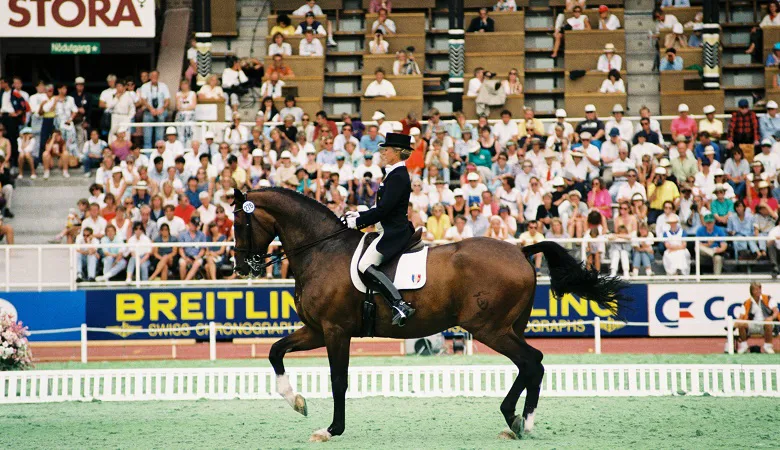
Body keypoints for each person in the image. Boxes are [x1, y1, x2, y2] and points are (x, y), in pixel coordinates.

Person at [345, 132, 417, 326]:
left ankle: (399, 304)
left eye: (386, 149)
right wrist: (359, 216)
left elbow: (385, 210)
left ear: (397, 152)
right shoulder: (393, 173)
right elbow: (380, 207)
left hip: (394, 232)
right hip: (388, 228)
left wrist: (357, 224)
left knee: (364, 265)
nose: (383, 152)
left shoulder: (398, 176)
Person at [734, 282, 779, 354]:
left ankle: (768, 346)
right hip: (752, 325)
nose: (759, 291)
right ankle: (744, 346)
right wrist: (735, 324)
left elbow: (776, 311)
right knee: (741, 323)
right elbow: (741, 317)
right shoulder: (747, 302)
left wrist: (771, 318)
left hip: (766, 324)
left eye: (759, 289)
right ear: (751, 291)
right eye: (756, 290)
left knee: (768, 322)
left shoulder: (768, 298)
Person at [139, 70, 170, 149]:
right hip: (148, 113)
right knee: (147, 139)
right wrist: (151, 109)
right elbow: (143, 100)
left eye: (156, 76)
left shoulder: (163, 86)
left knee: (159, 139)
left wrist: (162, 108)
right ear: (149, 77)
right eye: (152, 76)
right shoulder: (145, 86)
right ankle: (148, 158)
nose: (154, 77)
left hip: (160, 113)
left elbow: (167, 100)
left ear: (158, 76)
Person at [178, 216, 207, 280]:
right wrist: (185, 257)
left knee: (197, 263)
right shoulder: (183, 234)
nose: (195, 226)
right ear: (190, 223)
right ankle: (183, 282)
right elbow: (181, 249)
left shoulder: (202, 235)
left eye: (196, 225)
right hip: (186, 256)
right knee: (182, 263)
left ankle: (185, 283)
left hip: (197, 256)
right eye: (193, 224)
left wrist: (198, 257)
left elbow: (203, 249)